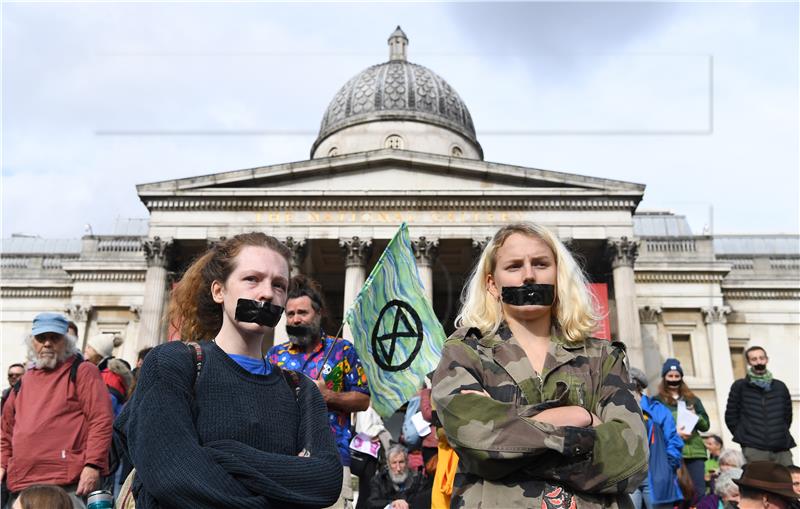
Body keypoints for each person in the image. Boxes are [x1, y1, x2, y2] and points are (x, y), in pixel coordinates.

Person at [114, 232, 342, 508]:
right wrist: (283, 486)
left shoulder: (301, 389)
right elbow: (171, 475)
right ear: (218, 291)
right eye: (252, 279)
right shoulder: (173, 363)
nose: (267, 293)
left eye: (279, 285)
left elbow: (326, 480)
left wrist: (223, 453)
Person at [431, 222, 648, 508]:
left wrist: (508, 442)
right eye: (514, 266)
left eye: (541, 263)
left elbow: (631, 458)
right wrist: (579, 418)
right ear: (492, 285)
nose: (529, 275)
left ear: (559, 275)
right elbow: (474, 436)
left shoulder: (603, 357)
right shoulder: (465, 353)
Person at [268, 275, 371, 509]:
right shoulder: (274, 356)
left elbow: (363, 399)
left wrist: (328, 396)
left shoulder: (342, 350)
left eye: (302, 313)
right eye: (290, 314)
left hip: (332, 460)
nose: (295, 319)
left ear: (319, 313)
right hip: (284, 460)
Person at [0, 312, 113, 509]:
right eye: (41, 338)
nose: (47, 343)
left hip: (67, 483)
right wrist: (2, 464)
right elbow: (6, 429)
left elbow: (100, 420)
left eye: (54, 337)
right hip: (23, 482)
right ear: (32, 343)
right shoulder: (24, 381)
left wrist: (93, 465)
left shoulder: (83, 371)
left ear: (66, 341)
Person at [725, 346, 796, 467]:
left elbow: (787, 415)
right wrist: (745, 437)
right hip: (754, 448)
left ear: (767, 359)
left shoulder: (780, 386)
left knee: (790, 482)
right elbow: (731, 416)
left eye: (761, 358)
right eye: (754, 359)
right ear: (748, 362)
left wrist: (780, 431)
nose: (759, 362)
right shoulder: (740, 386)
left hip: (781, 447)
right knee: (760, 484)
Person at [654, 358, 710, 498]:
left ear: (681, 378)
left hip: (695, 452)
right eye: (670, 376)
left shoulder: (693, 399)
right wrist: (674, 434)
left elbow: (706, 426)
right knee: (677, 493)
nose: (673, 379)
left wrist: (695, 416)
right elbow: (654, 427)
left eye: (677, 376)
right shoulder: (657, 401)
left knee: (698, 493)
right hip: (672, 452)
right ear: (664, 378)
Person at [629, 367, 684, 509]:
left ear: (636, 386)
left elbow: (673, 440)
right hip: (628, 478)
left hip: (655, 477)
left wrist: (666, 468)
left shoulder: (657, 410)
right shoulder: (615, 410)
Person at [84, 333, 132, 417]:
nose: (85, 350)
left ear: (98, 352)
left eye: (89, 347)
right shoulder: (97, 371)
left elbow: (103, 410)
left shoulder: (110, 376)